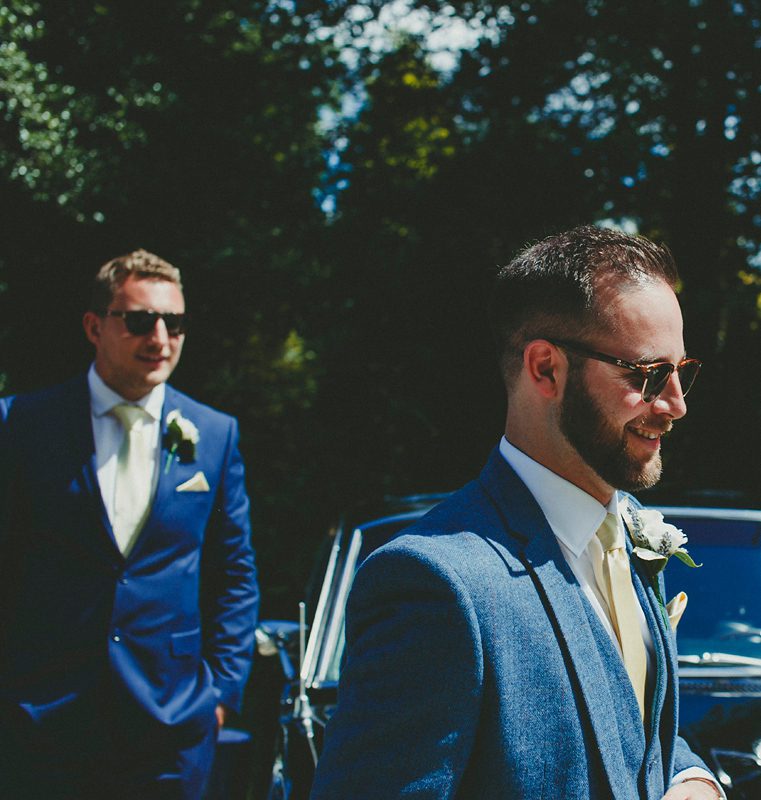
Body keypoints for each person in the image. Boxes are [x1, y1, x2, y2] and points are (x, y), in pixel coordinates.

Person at [310, 226, 722, 800]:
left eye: (684, 371)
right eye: (648, 374)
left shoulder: (626, 541)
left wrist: (693, 781)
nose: (676, 404)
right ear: (545, 369)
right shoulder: (434, 584)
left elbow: (632, 732)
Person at [0, 249, 260, 799]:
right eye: (141, 320)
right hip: (42, 721)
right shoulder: (22, 424)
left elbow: (234, 574)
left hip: (169, 725)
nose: (161, 338)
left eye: (176, 323)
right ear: (95, 326)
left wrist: (219, 696)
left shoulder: (215, 435)